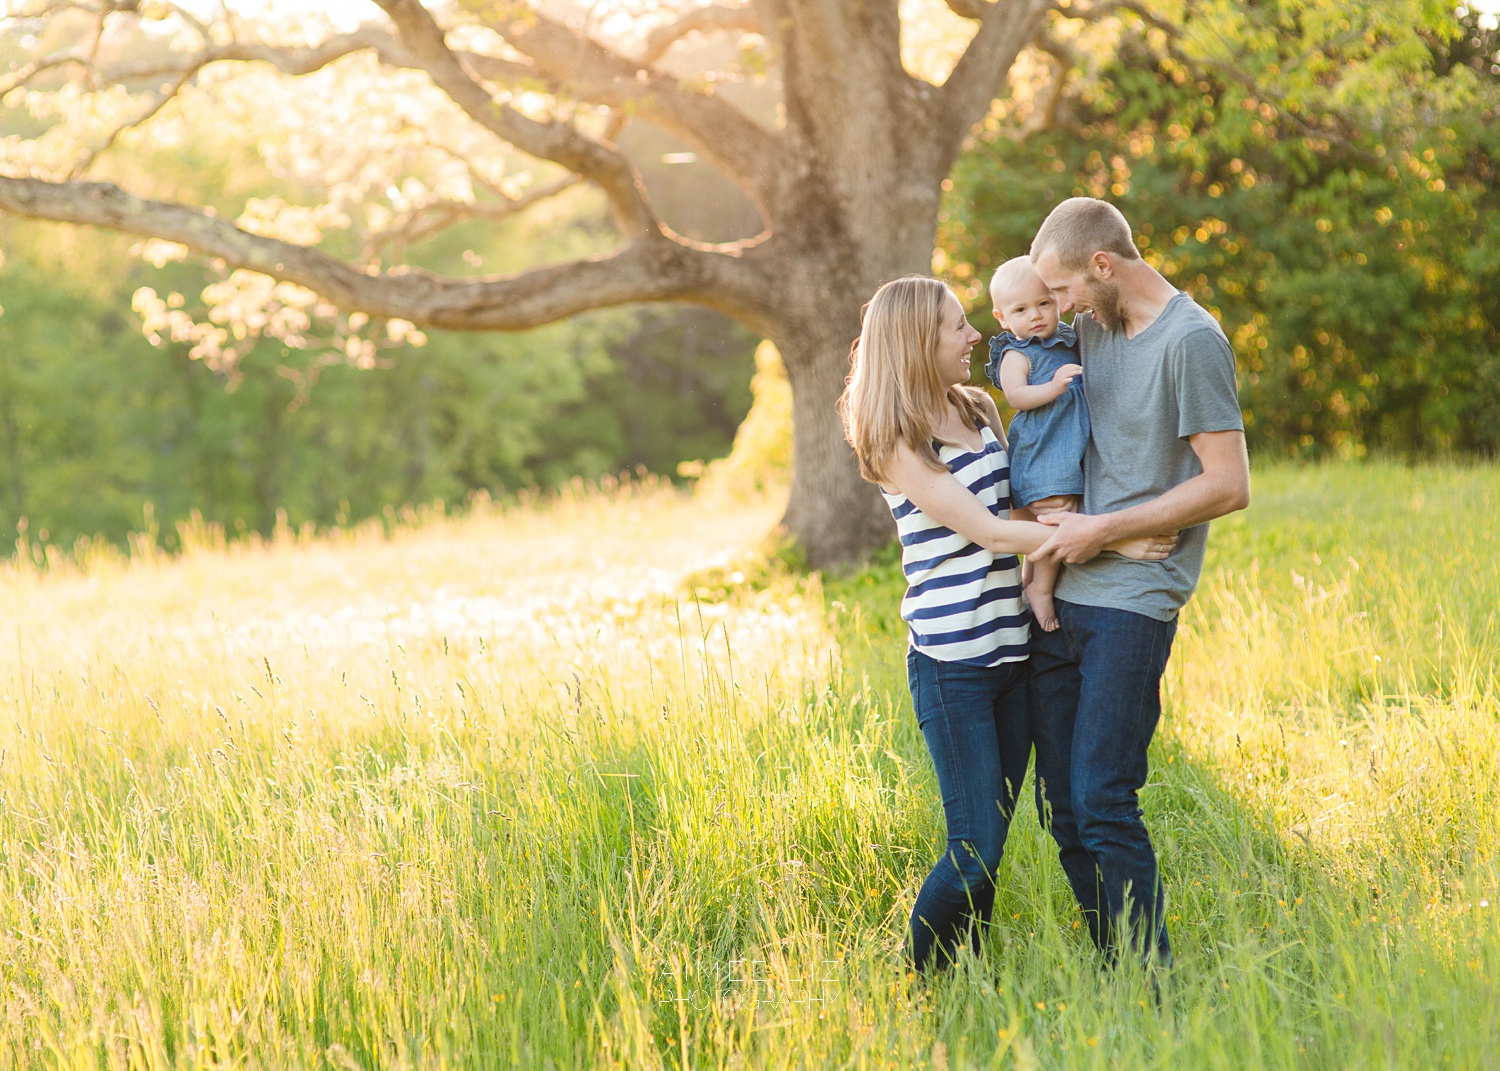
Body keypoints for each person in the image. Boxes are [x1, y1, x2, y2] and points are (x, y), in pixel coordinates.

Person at [837, 275, 1177, 974]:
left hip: (1013, 657)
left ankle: (969, 975)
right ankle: (921, 976)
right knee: (974, 848)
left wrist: (1087, 528)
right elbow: (989, 532)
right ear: (914, 342)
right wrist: (1114, 538)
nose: (974, 338)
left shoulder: (977, 406)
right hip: (952, 667)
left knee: (991, 844)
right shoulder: (894, 437)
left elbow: (1021, 510)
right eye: (957, 327)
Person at [1025, 198, 1251, 967]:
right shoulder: (1090, 328)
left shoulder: (1192, 341)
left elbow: (1228, 483)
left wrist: (1105, 528)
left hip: (1134, 599)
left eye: (1060, 293)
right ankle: (1112, 961)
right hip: (1065, 591)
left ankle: (1149, 982)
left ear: (1102, 266)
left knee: (1100, 796)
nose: (1056, 311)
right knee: (1061, 805)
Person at [985, 256, 1090, 632]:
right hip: (1042, 449)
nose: (1036, 315)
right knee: (1056, 514)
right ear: (1002, 317)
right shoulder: (1016, 353)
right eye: (1021, 309)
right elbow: (1016, 396)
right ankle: (1042, 589)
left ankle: (1029, 581)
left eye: (1044, 303)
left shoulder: (1067, 338)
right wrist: (1054, 387)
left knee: (1053, 515)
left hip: (1063, 446)